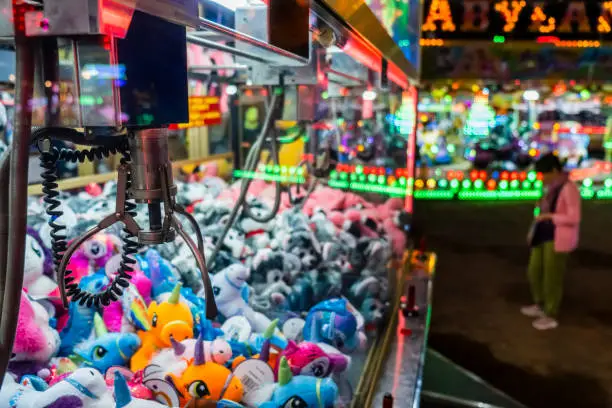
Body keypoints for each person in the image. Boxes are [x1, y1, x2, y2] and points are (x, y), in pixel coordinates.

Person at [521, 153, 581, 330]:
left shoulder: (569, 188)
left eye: (544, 174)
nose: (542, 178)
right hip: (543, 233)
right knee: (534, 270)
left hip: (557, 236)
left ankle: (551, 313)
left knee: (552, 276)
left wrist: (550, 216)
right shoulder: (550, 188)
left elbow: (574, 217)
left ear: (554, 171)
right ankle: (540, 304)